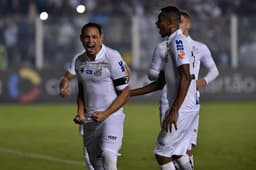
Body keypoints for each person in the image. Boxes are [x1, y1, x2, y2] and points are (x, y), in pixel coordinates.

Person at [130, 6, 198, 170]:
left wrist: (174, 110)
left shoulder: (178, 42)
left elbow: (186, 76)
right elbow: (160, 83)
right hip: (185, 107)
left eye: (159, 21)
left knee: (162, 153)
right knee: (176, 152)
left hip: (182, 108)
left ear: (170, 23)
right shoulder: (171, 43)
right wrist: (129, 93)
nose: (156, 24)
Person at [74, 22, 130, 170]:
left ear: (101, 38)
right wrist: (80, 112)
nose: (90, 41)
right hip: (90, 120)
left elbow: (125, 92)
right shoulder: (79, 61)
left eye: (94, 37)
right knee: (96, 165)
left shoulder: (111, 57)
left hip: (112, 117)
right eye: (87, 37)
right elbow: (82, 90)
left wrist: (106, 114)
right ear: (81, 39)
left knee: (108, 155)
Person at [179, 10, 219, 169]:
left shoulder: (199, 47)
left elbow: (214, 70)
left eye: (181, 21)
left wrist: (204, 81)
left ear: (188, 24)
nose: (177, 25)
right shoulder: (167, 46)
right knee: (172, 147)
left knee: (188, 146)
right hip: (172, 100)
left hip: (191, 100)